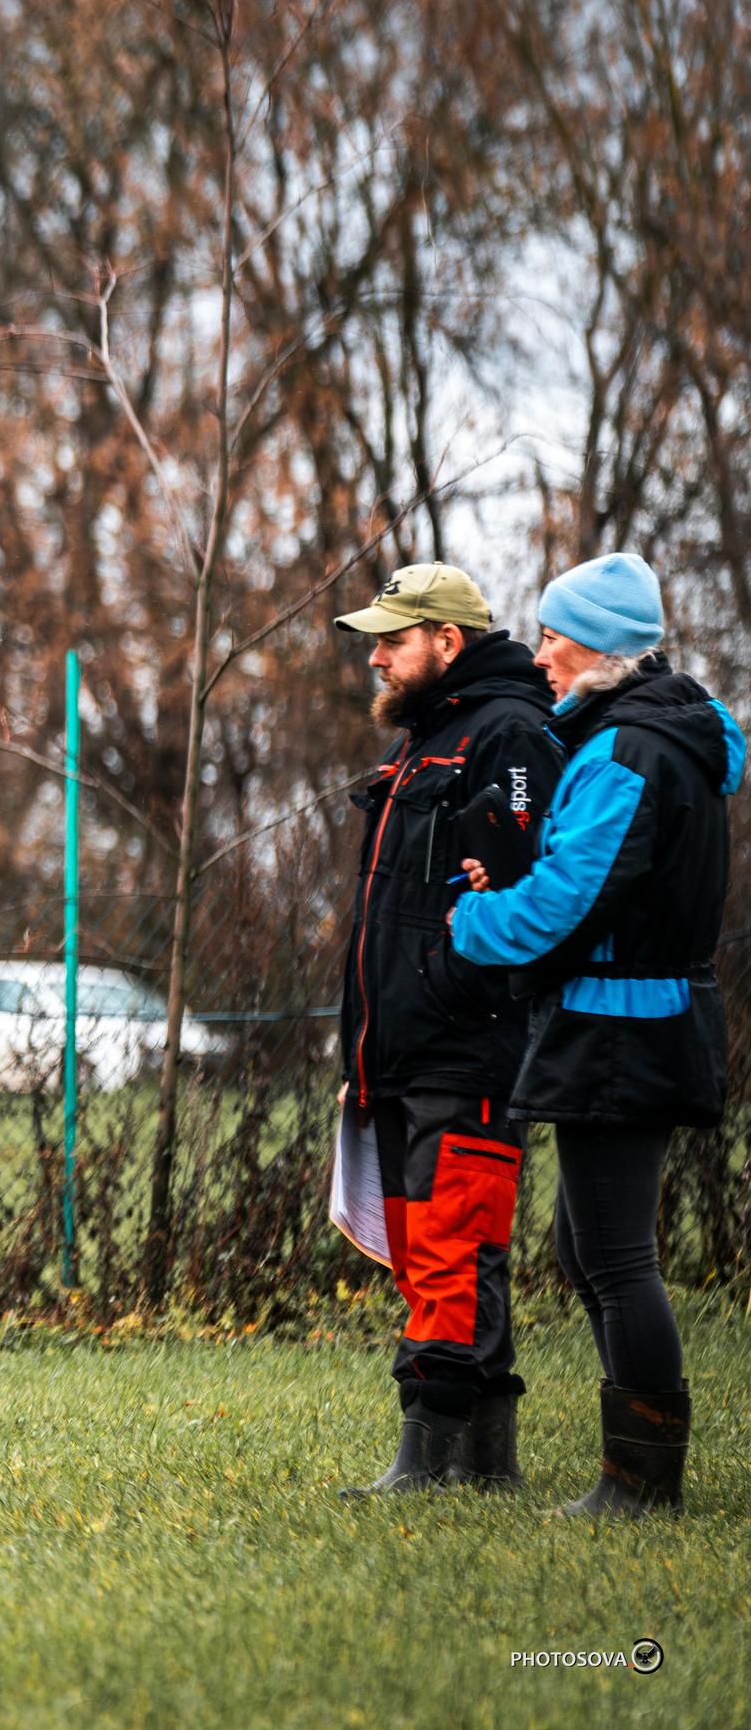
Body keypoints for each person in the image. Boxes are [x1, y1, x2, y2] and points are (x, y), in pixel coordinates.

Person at [451, 551, 738, 1516]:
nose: (540, 657)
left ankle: (643, 1481)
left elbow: (568, 906)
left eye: (553, 637)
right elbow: (600, 881)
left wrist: (473, 924)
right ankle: (635, 1463)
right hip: (628, 1020)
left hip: (623, 1027)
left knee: (615, 1258)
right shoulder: (648, 739)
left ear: (602, 647)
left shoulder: (625, 754)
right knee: (588, 1251)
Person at [328, 564, 564, 1496]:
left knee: (452, 1245)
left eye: (393, 638)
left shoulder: (507, 734)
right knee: (439, 1242)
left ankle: (427, 1461)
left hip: (466, 1041)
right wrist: (363, 1047)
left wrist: (449, 988)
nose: (377, 656)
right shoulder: (429, 737)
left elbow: (518, 897)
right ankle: (485, 1463)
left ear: (447, 643)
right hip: (401, 1047)